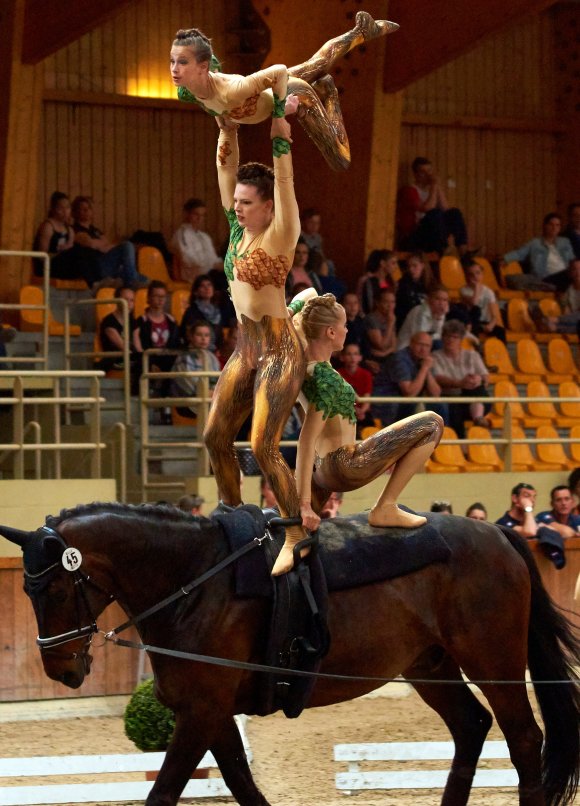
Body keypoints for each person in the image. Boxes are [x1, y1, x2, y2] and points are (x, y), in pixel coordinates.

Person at [202, 106, 306, 577]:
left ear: (267, 206)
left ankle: (296, 532)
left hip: (281, 349)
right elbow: (226, 167)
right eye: (238, 201)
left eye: (246, 203)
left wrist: (281, 130)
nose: (237, 208)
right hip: (246, 347)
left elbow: (284, 181)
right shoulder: (238, 232)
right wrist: (227, 128)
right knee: (215, 436)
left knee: (263, 446)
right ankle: (232, 513)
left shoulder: (281, 233)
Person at [292, 294, 443, 567]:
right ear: (330, 332)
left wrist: (298, 310)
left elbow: (307, 296)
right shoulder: (325, 379)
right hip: (345, 465)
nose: (348, 331)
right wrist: (303, 504)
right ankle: (386, 505)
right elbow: (305, 440)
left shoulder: (304, 363)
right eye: (344, 325)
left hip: (322, 471)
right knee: (432, 422)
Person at [170, 14, 397, 172]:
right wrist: (221, 117)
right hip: (270, 91)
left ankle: (328, 91)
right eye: (172, 61)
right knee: (319, 62)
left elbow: (278, 72)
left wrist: (279, 119)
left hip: (289, 92)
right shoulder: (186, 91)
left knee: (340, 160)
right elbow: (212, 91)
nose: (174, 69)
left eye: (182, 62)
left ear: (202, 67)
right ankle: (360, 31)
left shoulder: (233, 91)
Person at [371, 332, 448, 427]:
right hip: (387, 403)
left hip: (405, 403)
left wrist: (426, 369)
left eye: (427, 346)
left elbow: (436, 394)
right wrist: (424, 369)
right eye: (420, 344)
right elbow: (409, 393)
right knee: (417, 405)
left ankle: (441, 438)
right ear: (411, 343)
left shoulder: (424, 360)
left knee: (440, 405)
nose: (423, 349)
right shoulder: (399, 359)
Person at [71, 195, 149, 288]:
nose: (87, 211)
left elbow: (108, 246)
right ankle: (131, 282)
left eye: (88, 208)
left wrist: (100, 245)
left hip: (107, 263)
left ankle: (132, 280)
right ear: (75, 212)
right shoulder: (75, 230)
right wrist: (101, 245)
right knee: (127, 245)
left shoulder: (96, 231)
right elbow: (91, 244)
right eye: (83, 209)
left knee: (146, 280)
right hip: (96, 267)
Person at [395, 157, 468, 254]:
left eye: (429, 171)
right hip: (414, 236)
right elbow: (427, 208)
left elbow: (446, 209)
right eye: (423, 172)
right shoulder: (409, 190)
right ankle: (443, 249)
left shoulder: (432, 190)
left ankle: (462, 249)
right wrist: (434, 186)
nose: (428, 175)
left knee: (455, 212)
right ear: (416, 174)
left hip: (432, 234)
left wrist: (437, 186)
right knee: (435, 213)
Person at [432, 319, 490, 438]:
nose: (450, 340)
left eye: (455, 337)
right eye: (447, 336)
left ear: (461, 340)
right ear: (442, 338)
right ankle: (461, 444)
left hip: (472, 397)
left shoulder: (472, 355)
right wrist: (460, 383)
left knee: (478, 389)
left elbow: (485, 377)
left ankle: (478, 418)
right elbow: (437, 378)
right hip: (450, 397)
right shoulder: (435, 356)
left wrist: (478, 379)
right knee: (454, 408)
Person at [33, 191, 102, 287]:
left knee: (86, 250)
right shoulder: (48, 227)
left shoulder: (69, 229)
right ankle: (93, 282)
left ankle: (97, 278)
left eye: (67, 208)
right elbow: (41, 256)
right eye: (61, 208)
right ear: (53, 209)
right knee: (78, 250)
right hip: (49, 266)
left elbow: (70, 248)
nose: (65, 211)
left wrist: (68, 250)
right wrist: (61, 253)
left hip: (65, 266)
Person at [495, 482, 565, 569]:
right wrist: (528, 508)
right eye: (527, 496)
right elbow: (530, 532)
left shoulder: (531, 520)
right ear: (515, 498)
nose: (532, 500)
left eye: (534, 496)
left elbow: (555, 531)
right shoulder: (503, 522)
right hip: (511, 568)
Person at [503, 212, 575, 292]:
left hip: (566, 276)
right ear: (545, 226)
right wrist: (505, 258)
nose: (554, 228)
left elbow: (572, 260)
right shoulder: (535, 243)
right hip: (546, 278)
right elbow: (519, 253)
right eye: (551, 224)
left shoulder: (565, 242)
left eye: (557, 225)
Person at [171, 320, 221, 417]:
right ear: (191, 337)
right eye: (199, 335)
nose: (203, 339)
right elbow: (191, 389)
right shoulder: (184, 358)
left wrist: (215, 392)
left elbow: (219, 383)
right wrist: (213, 392)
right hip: (188, 403)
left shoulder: (212, 357)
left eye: (206, 335)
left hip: (211, 399)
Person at [170, 197, 223, 283]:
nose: (199, 218)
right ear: (187, 214)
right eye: (196, 214)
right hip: (194, 277)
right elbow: (188, 260)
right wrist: (213, 265)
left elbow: (213, 258)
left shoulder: (204, 237)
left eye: (202, 215)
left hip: (210, 273)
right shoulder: (181, 235)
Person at [134, 281, 181, 372]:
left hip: (168, 364)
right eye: (156, 296)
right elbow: (138, 349)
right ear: (149, 298)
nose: (160, 299)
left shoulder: (172, 321)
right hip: (147, 363)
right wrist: (149, 364)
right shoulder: (140, 322)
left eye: (163, 296)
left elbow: (176, 345)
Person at [99, 286, 140, 386]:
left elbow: (138, 347)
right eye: (125, 300)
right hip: (115, 359)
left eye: (132, 300)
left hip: (131, 358)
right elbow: (123, 347)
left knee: (146, 361)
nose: (129, 304)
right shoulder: (109, 321)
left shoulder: (133, 322)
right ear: (117, 300)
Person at [459, 258, 505, 342]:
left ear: (482, 274)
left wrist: (491, 325)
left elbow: (494, 315)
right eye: (471, 274)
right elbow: (474, 303)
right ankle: (477, 349)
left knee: (501, 331)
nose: (475, 276)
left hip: (484, 322)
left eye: (478, 273)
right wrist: (477, 287)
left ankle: (503, 353)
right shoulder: (463, 290)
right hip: (471, 321)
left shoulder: (488, 291)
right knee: (475, 318)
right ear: (467, 277)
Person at [336, 343, 375, 437]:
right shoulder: (337, 374)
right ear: (342, 357)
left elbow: (367, 399)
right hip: (344, 412)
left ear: (360, 357)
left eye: (355, 354)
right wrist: (352, 410)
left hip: (363, 413)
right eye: (349, 354)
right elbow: (338, 399)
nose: (352, 357)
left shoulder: (366, 374)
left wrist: (361, 411)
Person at [396, 285, 450, 350]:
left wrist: (438, 317)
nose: (441, 303)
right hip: (407, 348)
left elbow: (438, 334)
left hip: (425, 348)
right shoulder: (419, 311)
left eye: (444, 300)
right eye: (437, 299)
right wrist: (437, 336)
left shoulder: (441, 312)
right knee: (439, 345)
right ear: (429, 299)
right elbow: (420, 338)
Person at [179, 275, 225, 350]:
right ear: (196, 292)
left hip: (214, 353)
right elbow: (186, 335)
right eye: (202, 286)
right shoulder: (191, 311)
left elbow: (220, 336)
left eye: (209, 285)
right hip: (196, 352)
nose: (207, 288)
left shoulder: (217, 312)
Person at [395, 252, 435, 329]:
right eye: (409, 266)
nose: (411, 269)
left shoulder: (431, 283)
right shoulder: (403, 283)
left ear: (422, 265)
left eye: (414, 266)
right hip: (407, 321)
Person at [362, 288, 397, 371]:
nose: (390, 305)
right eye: (386, 302)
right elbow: (381, 345)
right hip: (372, 357)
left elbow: (394, 345)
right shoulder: (371, 319)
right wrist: (390, 324)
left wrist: (386, 353)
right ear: (378, 303)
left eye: (392, 302)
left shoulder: (390, 317)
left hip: (386, 355)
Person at [357, 249, 399, 314]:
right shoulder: (366, 280)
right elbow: (360, 301)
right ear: (383, 263)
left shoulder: (391, 281)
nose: (396, 267)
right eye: (393, 263)